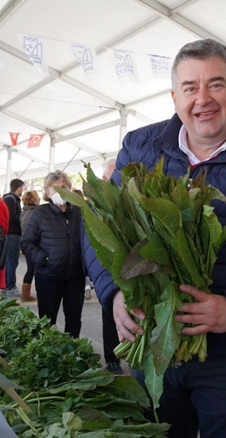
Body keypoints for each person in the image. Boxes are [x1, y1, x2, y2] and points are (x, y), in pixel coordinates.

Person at [82, 39, 226, 438]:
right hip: (153, 348)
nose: (202, 99)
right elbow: (102, 232)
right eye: (190, 87)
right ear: (175, 97)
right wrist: (114, 294)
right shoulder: (140, 146)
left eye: (216, 84)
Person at [22, 171, 86, 338]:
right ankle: (47, 353)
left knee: (74, 319)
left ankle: (73, 353)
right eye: (55, 188)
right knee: (47, 320)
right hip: (48, 276)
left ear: (70, 189)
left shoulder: (80, 212)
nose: (60, 191)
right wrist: (43, 259)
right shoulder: (40, 213)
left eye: (64, 187)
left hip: (75, 276)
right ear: (48, 193)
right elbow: (27, 243)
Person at [97, 158, 123, 375]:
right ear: (105, 178)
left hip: (135, 266)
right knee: (110, 312)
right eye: (116, 175)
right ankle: (112, 358)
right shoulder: (97, 204)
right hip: (110, 268)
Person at [2, 179, 26, 297]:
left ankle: (6, 285)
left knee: (9, 261)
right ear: (19, 188)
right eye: (22, 188)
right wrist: (22, 217)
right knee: (12, 261)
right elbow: (11, 217)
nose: (23, 191)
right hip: (12, 234)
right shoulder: (11, 199)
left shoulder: (9, 198)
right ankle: (10, 286)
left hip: (10, 234)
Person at [19, 190, 40, 302]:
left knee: (30, 268)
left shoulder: (23, 212)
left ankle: (25, 293)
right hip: (34, 245)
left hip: (25, 245)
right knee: (36, 269)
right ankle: (38, 292)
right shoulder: (36, 213)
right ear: (34, 200)